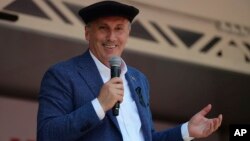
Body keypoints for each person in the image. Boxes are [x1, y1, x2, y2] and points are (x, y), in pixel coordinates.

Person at [37, 1, 223, 141]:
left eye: (119, 29)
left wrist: (186, 130)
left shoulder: (138, 79)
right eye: (103, 28)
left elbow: (147, 137)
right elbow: (47, 133)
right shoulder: (62, 74)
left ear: (128, 34)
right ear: (87, 33)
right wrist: (99, 105)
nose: (111, 37)